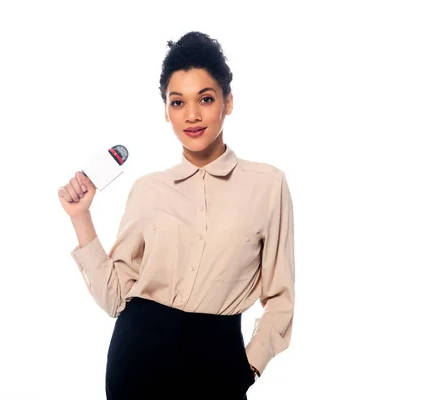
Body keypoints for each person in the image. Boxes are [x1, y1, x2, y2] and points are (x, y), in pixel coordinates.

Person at [58, 31, 295, 400]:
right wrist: (80, 216)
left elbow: (281, 297)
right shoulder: (148, 189)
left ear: (228, 102)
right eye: (177, 102)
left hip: (218, 365)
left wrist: (249, 366)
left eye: (205, 98)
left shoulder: (267, 185)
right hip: (136, 363)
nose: (192, 115)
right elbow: (115, 297)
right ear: (166, 110)